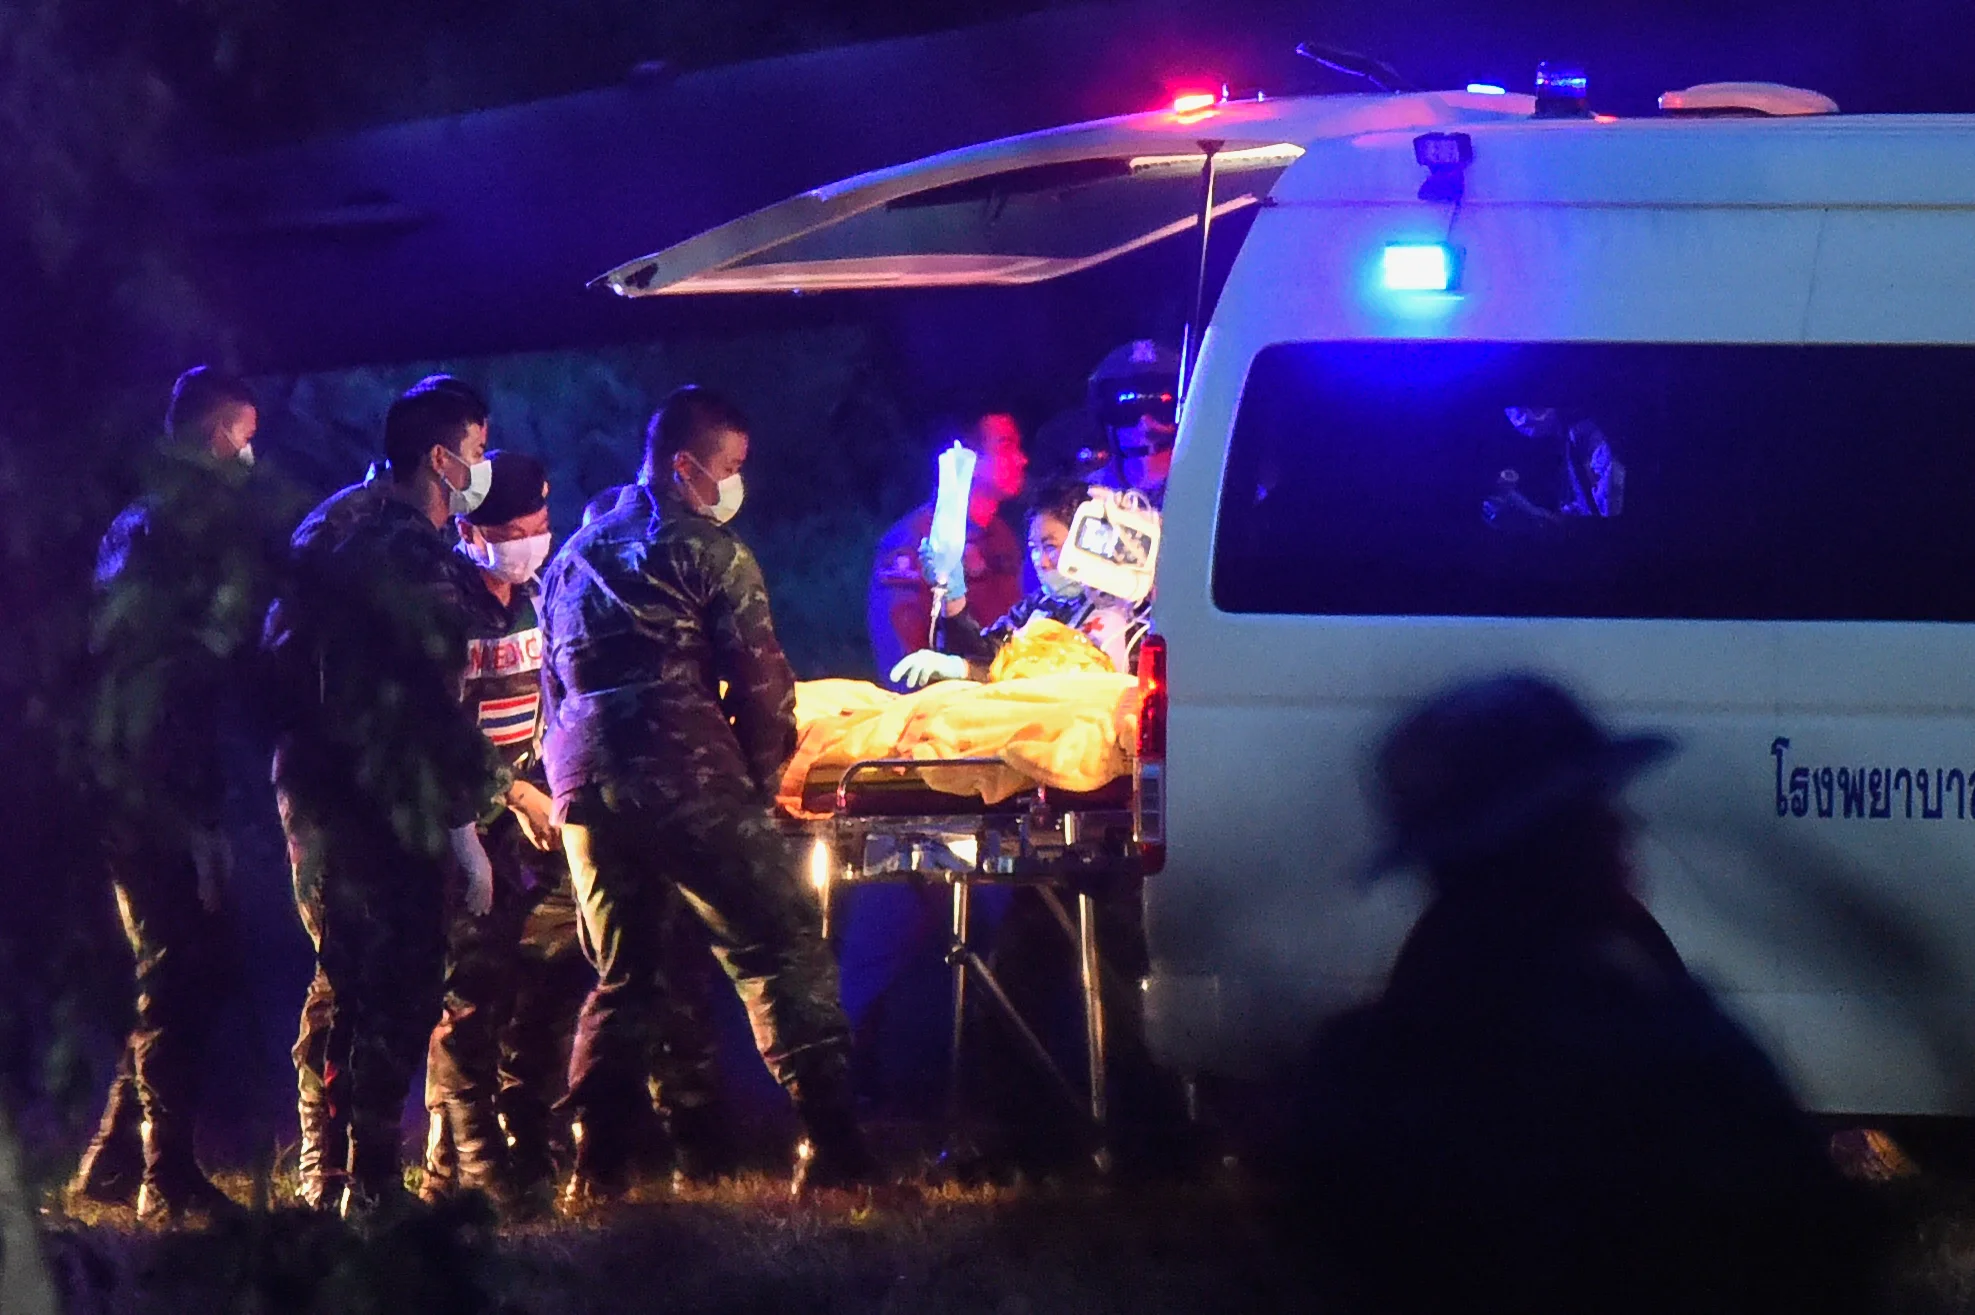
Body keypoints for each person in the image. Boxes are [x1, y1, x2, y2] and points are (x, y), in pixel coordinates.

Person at [1288, 673, 1877, 1314]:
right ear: (1554, 845)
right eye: (1594, 806)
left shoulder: (1356, 1075)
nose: (1623, 827)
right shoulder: (1672, 1059)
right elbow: (1819, 1258)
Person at [540, 385, 872, 1205]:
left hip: (583, 787)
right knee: (779, 942)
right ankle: (832, 1147)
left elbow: (554, 680)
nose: (735, 483)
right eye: (729, 467)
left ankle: (598, 1166)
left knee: (624, 973)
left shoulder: (572, 556)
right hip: (685, 772)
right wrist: (762, 786)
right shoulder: (707, 550)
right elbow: (762, 684)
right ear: (687, 465)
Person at [262, 375, 509, 1218]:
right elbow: (430, 705)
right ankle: (369, 1188)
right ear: (440, 457)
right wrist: (464, 825)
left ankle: (328, 1179)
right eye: (476, 449)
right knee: (396, 988)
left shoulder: (330, 521)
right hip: (385, 801)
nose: (481, 464)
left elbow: (275, 653)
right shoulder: (410, 552)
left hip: (314, 791)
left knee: (340, 981)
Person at [68, 367, 261, 1223]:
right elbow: (155, 687)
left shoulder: (151, 530)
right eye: (241, 435)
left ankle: (118, 1159)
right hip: (150, 795)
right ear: (217, 434)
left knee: (188, 969)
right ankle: (162, 1171)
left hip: (164, 789)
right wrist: (188, 815)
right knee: (176, 968)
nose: (247, 454)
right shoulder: (160, 535)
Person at [889, 477, 1148, 686]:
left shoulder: (1131, 609)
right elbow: (986, 654)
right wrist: (953, 598)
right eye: (1034, 547)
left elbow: (1062, 679)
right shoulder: (1038, 607)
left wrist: (966, 670)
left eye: (1051, 546)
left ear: (1090, 539)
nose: (1041, 561)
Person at [867, 412, 1028, 686]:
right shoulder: (915, 539)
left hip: (1002, 691)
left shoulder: (1002, 537)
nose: (1021, 459)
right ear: (969, 458)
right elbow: (901, 653)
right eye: (1005, 446)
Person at [1085, 341, 1181, 506]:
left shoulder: (1213, 492)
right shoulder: (1082, 499)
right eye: (1127, 410)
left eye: (1162, 407)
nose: (1146, 425)